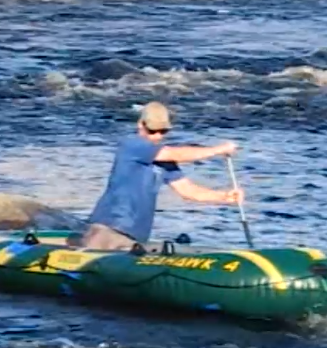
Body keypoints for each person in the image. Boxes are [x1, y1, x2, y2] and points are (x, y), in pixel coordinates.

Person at [74, 101, 243, 251]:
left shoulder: (165, 160)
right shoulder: (132, 145)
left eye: (162, 131)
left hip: (134, 236)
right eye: (153, 130)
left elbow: (188, 191)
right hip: (108, 228)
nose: (157, 136)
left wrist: (225, 197)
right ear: (141, 124)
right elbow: (174, 153)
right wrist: (217, 150)